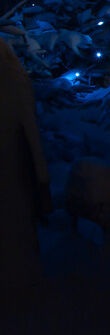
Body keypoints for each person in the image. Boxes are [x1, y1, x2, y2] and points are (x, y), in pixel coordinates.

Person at [0, 38, 51, 286]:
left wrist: (41, 173)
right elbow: (30, 128)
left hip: (12, 163)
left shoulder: (13, 81)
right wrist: (41, 174)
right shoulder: (16, 81)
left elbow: (29, 127)